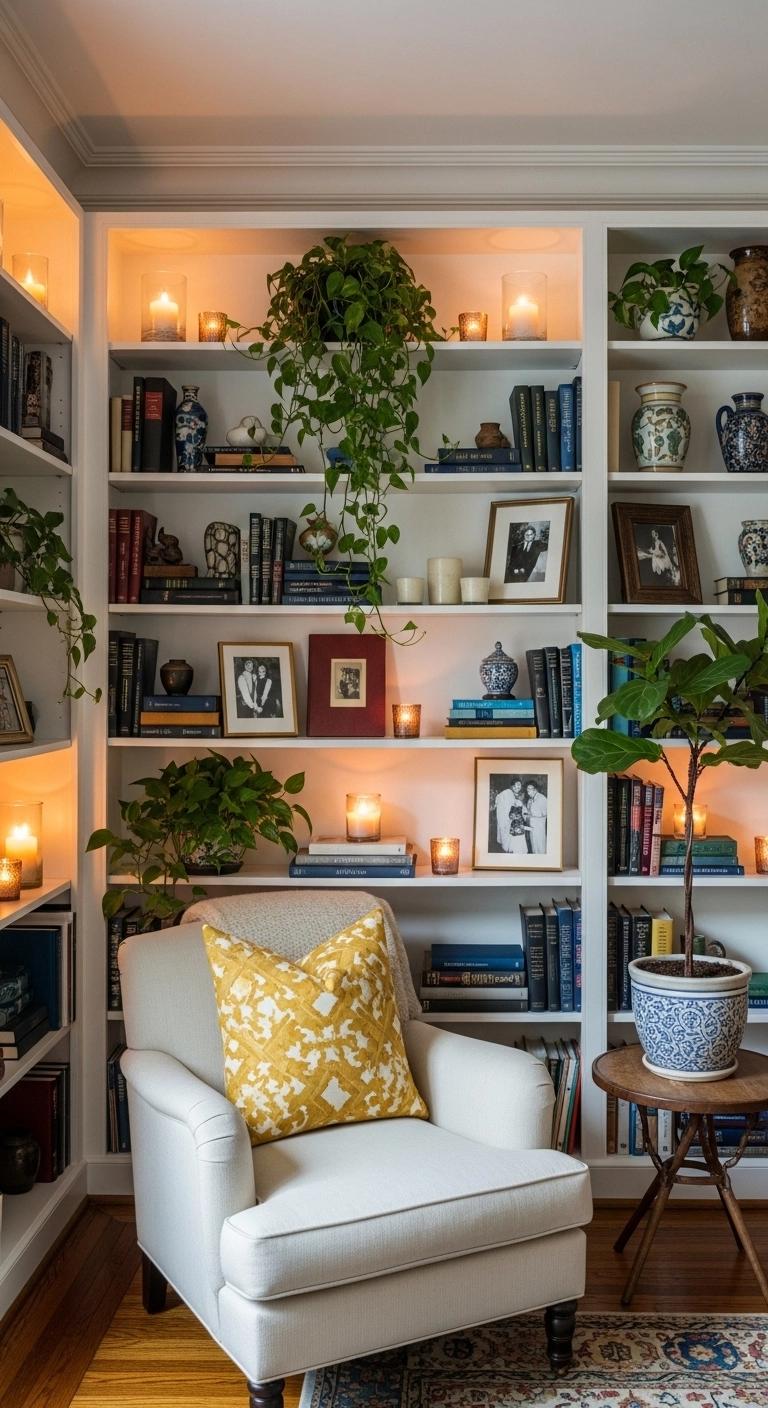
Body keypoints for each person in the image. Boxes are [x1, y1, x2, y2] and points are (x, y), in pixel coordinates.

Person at [494, 779, 528, 853]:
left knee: (518, 844)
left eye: (519, 785)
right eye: (516, 785)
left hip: (517, 824)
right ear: (512, 786)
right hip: (509, 821)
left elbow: (522, 809)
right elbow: (499, 799)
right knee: (510, 840)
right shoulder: (507, 793)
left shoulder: (520, 795)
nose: (517, 787)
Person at [525, 781, 548, 854]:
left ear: (535, 789)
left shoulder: (542, 799)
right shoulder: (530, 800)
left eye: (530, 789)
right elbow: (528, 812)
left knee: (540, 845)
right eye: (527, 789)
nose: (528, 791)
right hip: (531, 827)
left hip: (539, 826)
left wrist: (532, 816)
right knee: (534, 845)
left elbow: (545, 813)